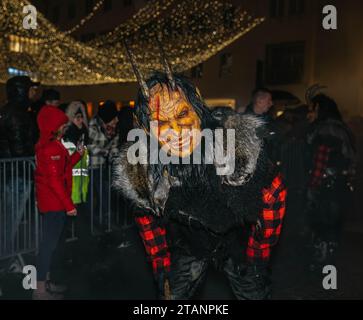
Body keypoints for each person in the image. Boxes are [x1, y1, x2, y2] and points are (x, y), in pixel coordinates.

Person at [114, 46, 286, 300]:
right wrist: (162, 270)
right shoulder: (145, 171)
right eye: (161, 122)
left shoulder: (231, 146)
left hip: (237, 241)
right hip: (190, 243)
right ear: (146, 129)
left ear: (196, 105)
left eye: (183, 113)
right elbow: (150, 230)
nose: (177, 129)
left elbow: (274, 194)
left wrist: (257, 257)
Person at [33, 105, 84, 300]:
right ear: (54, 127)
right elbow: (55, 181)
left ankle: (44, 284)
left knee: (51, 245)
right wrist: (68, 205)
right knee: (48, 246)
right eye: (62, 125)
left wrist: (77, 155)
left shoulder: (51, 144)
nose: (66, 127)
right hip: (54, 204)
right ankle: (39, 291)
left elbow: (63, 168)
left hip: (53, 203)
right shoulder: (51, 147)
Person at [305, 93, 356, 270]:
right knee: (332, 227)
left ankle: (324, 265)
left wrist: (312, 187)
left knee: (323, 226)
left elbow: (320, 161)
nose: (310, 112)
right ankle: (328, 265)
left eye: (314, 108)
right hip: (339, 185)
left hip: (326, 187)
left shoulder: (325, 130)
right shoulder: (341, 128)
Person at [0, 76, 40, 259]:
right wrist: (32, 161)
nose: (34, 92)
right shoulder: (17, 114)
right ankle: (5, 258)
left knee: (9, 219)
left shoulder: (15, 111)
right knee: (10, 220)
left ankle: (7, 257)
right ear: (21, 91)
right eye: (31, 88)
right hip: (16, 174)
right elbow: (19, 147)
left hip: (13, 173)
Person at [88, 100, 119, 230]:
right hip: (91, 166)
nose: (116, 120)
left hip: (104, 166)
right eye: (114, 117)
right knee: (92, 196)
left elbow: (114, 147)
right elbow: (90, 146)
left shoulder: (114, 129)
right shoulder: (93, 125)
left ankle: (105, 221)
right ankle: (92, 222)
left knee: (105, 194)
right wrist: (105, 152)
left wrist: (114, 156)